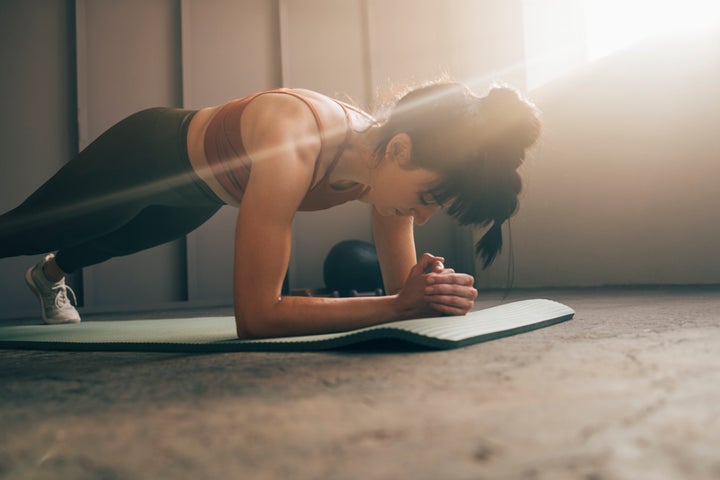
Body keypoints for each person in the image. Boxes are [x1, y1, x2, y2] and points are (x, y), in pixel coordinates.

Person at [0, 80, 541, 338]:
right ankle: (41, 258)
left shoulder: (386, 167)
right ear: (400, 148)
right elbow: (257, 317)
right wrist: (401, 304)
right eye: (426, 199)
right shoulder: (297, 139)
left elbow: (405, 300)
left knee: (107, 241)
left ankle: (49, 276)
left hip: (202, 197)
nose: (421, 219)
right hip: (145, 155)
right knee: (27, 229)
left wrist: (427, 291)